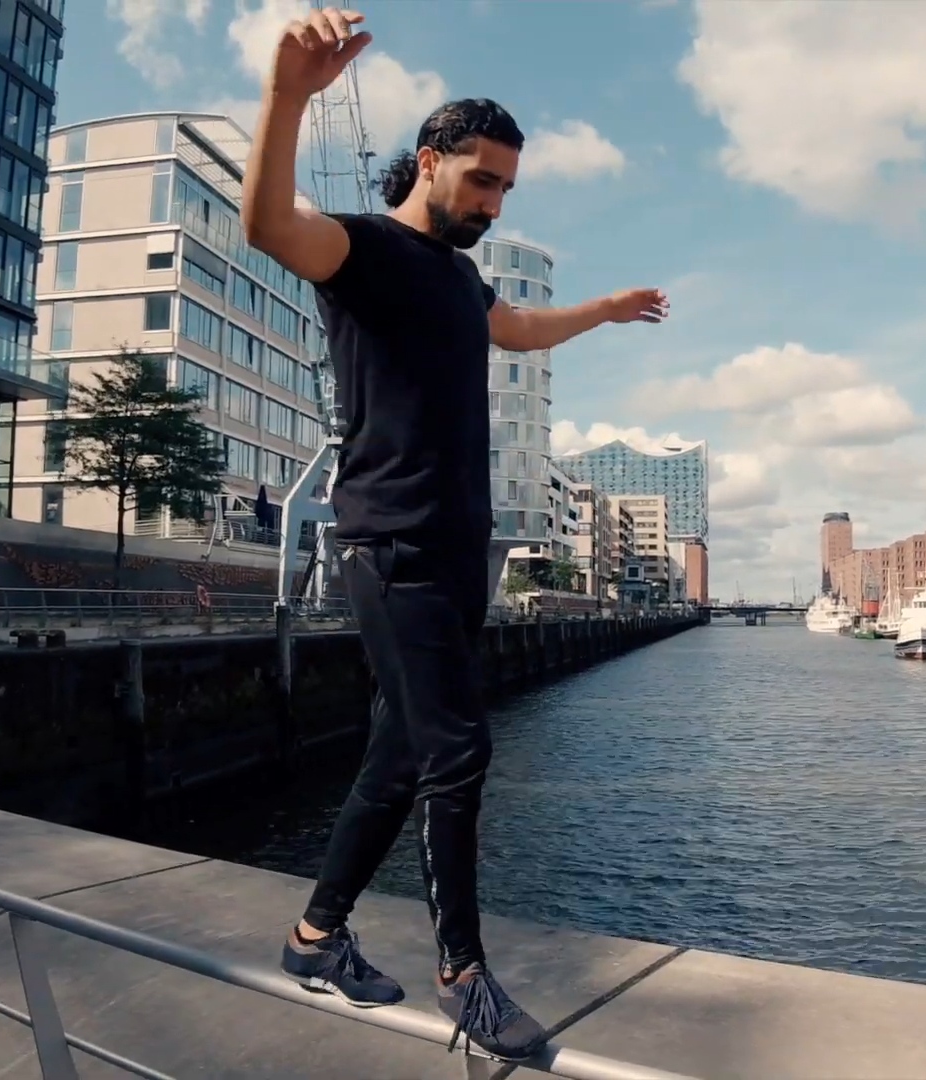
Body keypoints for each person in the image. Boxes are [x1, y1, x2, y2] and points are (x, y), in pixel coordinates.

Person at [237, 7, 669, 1064]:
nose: (493, 202)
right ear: (430, 162)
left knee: (398, 757)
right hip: (388, 547)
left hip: (457, 550)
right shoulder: (365, 250)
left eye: (507, 190)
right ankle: (462, 974)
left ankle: (315, 935)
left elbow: (513, 329)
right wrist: (288, 92)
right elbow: (265, 227)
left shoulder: (461, 280)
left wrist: (603, 312)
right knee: (460, 750)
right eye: (481, 182)